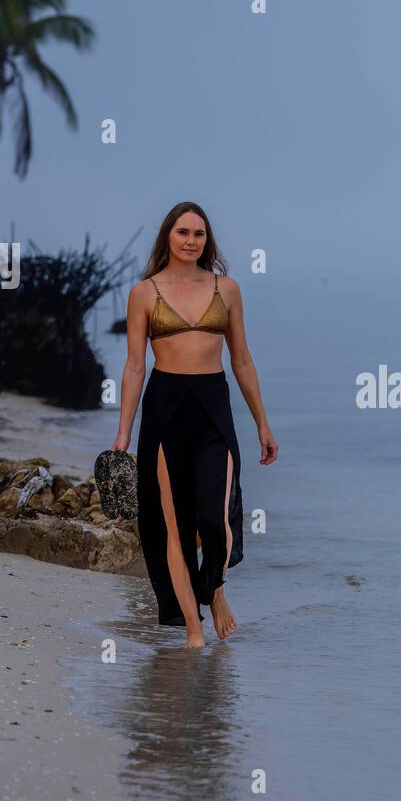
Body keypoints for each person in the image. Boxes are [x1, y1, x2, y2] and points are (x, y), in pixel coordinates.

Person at [112, 201, 278, 648]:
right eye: (183, 232)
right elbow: (133, 368)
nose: (190, 241)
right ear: (167, 235)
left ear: (208, 241)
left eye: (198, 234)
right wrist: (124, 433)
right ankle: (192, 627)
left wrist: (262, 422)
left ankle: (214, 589)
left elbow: (241, 360)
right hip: (165, 409)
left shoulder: (228, 289)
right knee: (172, 522)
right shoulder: (145, 293)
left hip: (212, 406)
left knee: (215, 515)